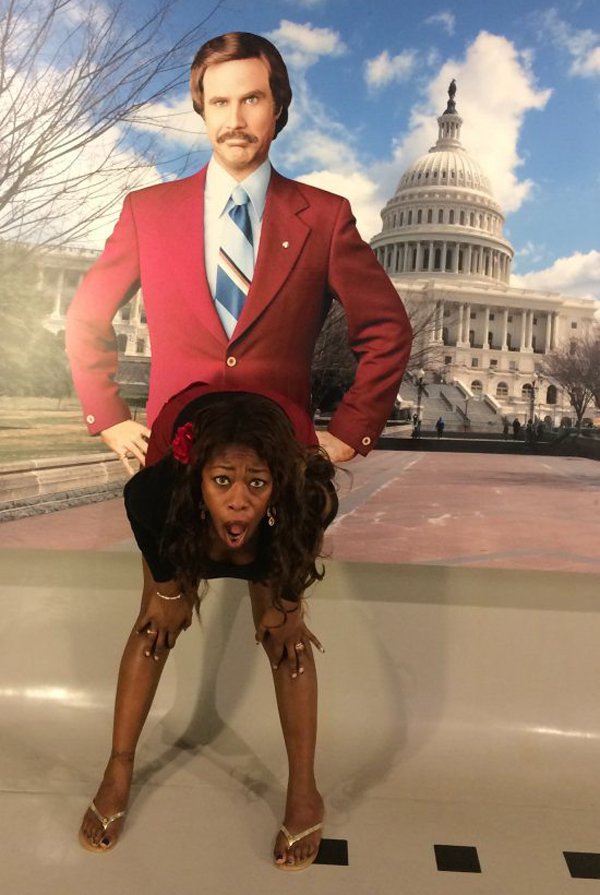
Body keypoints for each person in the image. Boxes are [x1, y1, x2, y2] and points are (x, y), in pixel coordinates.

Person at [65, 31, 412, 469]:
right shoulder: (146, 212)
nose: (235, 120)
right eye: (219, 102)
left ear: (277, 107)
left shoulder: (326, 217)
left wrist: (350, 430)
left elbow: (389, 330)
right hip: (174, 461)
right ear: (203, 110)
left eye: (251, 99)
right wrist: (108, 416)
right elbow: (85, 315)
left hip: (282, 465)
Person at [79, 385, 338, 871]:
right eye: (222, 482)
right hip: (185, 441)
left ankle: (305, 790)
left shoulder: (307, 499)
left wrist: (285, 608)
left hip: (281, 481)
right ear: (198, 479)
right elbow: (139, 506)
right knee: (156, 626)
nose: (239, 502)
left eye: (256, 484)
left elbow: (294, 551)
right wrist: (168, 591)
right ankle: (117, 767)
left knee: (287, 641)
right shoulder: (159, 495)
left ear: (277, 484)